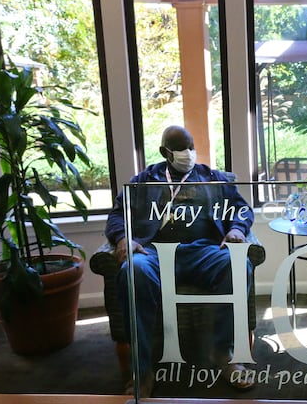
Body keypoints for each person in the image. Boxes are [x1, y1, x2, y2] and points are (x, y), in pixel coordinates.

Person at [105, 125, 256, 396]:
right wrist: (122, 239)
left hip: (202, 252)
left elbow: (241, 208)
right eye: (181, 149)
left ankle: (224, 354)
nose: (189, 154)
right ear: (165, 152)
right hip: (154, 254)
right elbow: (118, 215)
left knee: (236, 265)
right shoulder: (143, 181)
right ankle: (143, 370)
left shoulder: (212, 178)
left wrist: (236, 229)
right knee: (133, 270)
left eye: (191, 147)